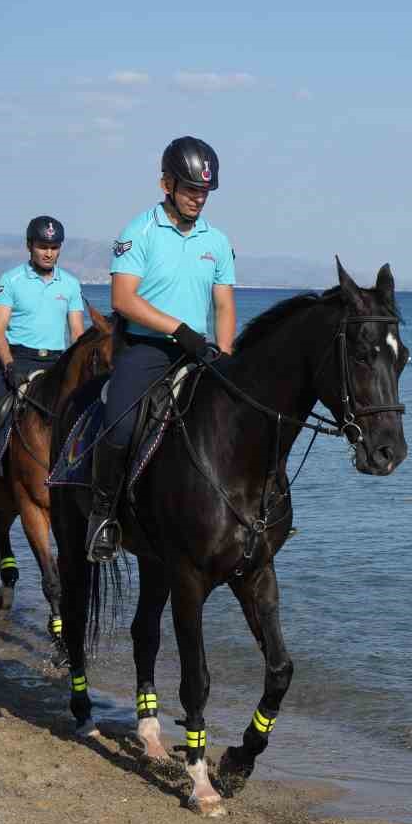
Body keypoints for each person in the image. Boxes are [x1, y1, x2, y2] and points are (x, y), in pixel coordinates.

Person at [86, 136, 237, 563]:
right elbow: (123, 299)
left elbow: (224, 304)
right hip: (146, 351)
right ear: (165, 183)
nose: (198, 199)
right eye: (191, 189)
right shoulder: (140, 232)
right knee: (118, 426)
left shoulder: (218, 241)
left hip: (200, 352)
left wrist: (224, 351)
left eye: (204, 192)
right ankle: (103, 517)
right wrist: (178, 329)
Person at [0, 216, 86, 509]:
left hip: (56, 364)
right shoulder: (11, 280)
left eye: (54, 247)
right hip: (16, 360)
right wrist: (8, 366)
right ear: (29, 246)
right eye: (43, 246)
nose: (48, 253)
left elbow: (78, 334)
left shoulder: (70, 284)